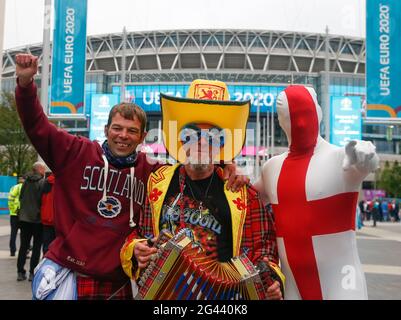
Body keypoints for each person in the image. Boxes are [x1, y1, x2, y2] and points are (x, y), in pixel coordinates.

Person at [15, 54, 246, 300]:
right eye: (117, 128)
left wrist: (224, 161)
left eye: (132, 131)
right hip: (70, 273)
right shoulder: (75, 152)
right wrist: (26, 84)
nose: (123, 135)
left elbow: (193, 165)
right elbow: (36, 125)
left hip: (117, 281)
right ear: (106, 130)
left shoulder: (152, 172)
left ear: (142, 137)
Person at [120, 79, 285, 300]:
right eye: (192, 134)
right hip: (167, 296)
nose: (201, 142)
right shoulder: (158, 182)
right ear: (181, 139)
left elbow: (264, 247)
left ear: (222, 145)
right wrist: (138, 248)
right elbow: (141, 234)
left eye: (213, 137)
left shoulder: (241, 192)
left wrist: (270, 281)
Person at [255, 85, 379, 300]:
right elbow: (242, 197)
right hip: (293, 283)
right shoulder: (272, 168)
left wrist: (364, 153)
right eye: (294, 115)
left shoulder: (342, 159)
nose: (301, 121)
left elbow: (366, 160)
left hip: (343, 280)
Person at [17, 162, 45, 281]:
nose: (44, 171)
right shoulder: (42, 183)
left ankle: (20, 272)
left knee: (23, 247)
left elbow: (21, 197)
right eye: (43, 169)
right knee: (37, 248)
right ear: (38, 169)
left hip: (24, 219)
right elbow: (42, 200)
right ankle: (32, 273)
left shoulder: (25, 182)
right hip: (37, 220)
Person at [7, 176, 25, 257]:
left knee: (13, 233)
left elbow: (10, 200)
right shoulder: (26, 187)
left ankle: (12, 251)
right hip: (23, 215)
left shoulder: (14, 187)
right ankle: (25, 251)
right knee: (24, 235)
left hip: (14, 214)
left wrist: (13, 210)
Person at [40, 172, 56, 254]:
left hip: (46, 218)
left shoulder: (45, 183)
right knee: (57, 247)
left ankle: (45, 264)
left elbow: (39, 200)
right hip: (58, 220)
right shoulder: (63, 182)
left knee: (46, 246)